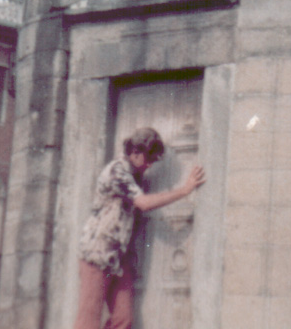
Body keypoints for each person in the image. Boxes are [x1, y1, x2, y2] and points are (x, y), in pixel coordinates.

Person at [74, 127, 205, 329]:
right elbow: (143, 203)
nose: (150, 165)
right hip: (97, 253)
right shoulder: (117, 171)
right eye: (149, 159)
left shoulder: (136, 177)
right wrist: (185, 190)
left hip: (118, 257)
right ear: (135, 152)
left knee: (123, 319)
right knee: (88, 321)